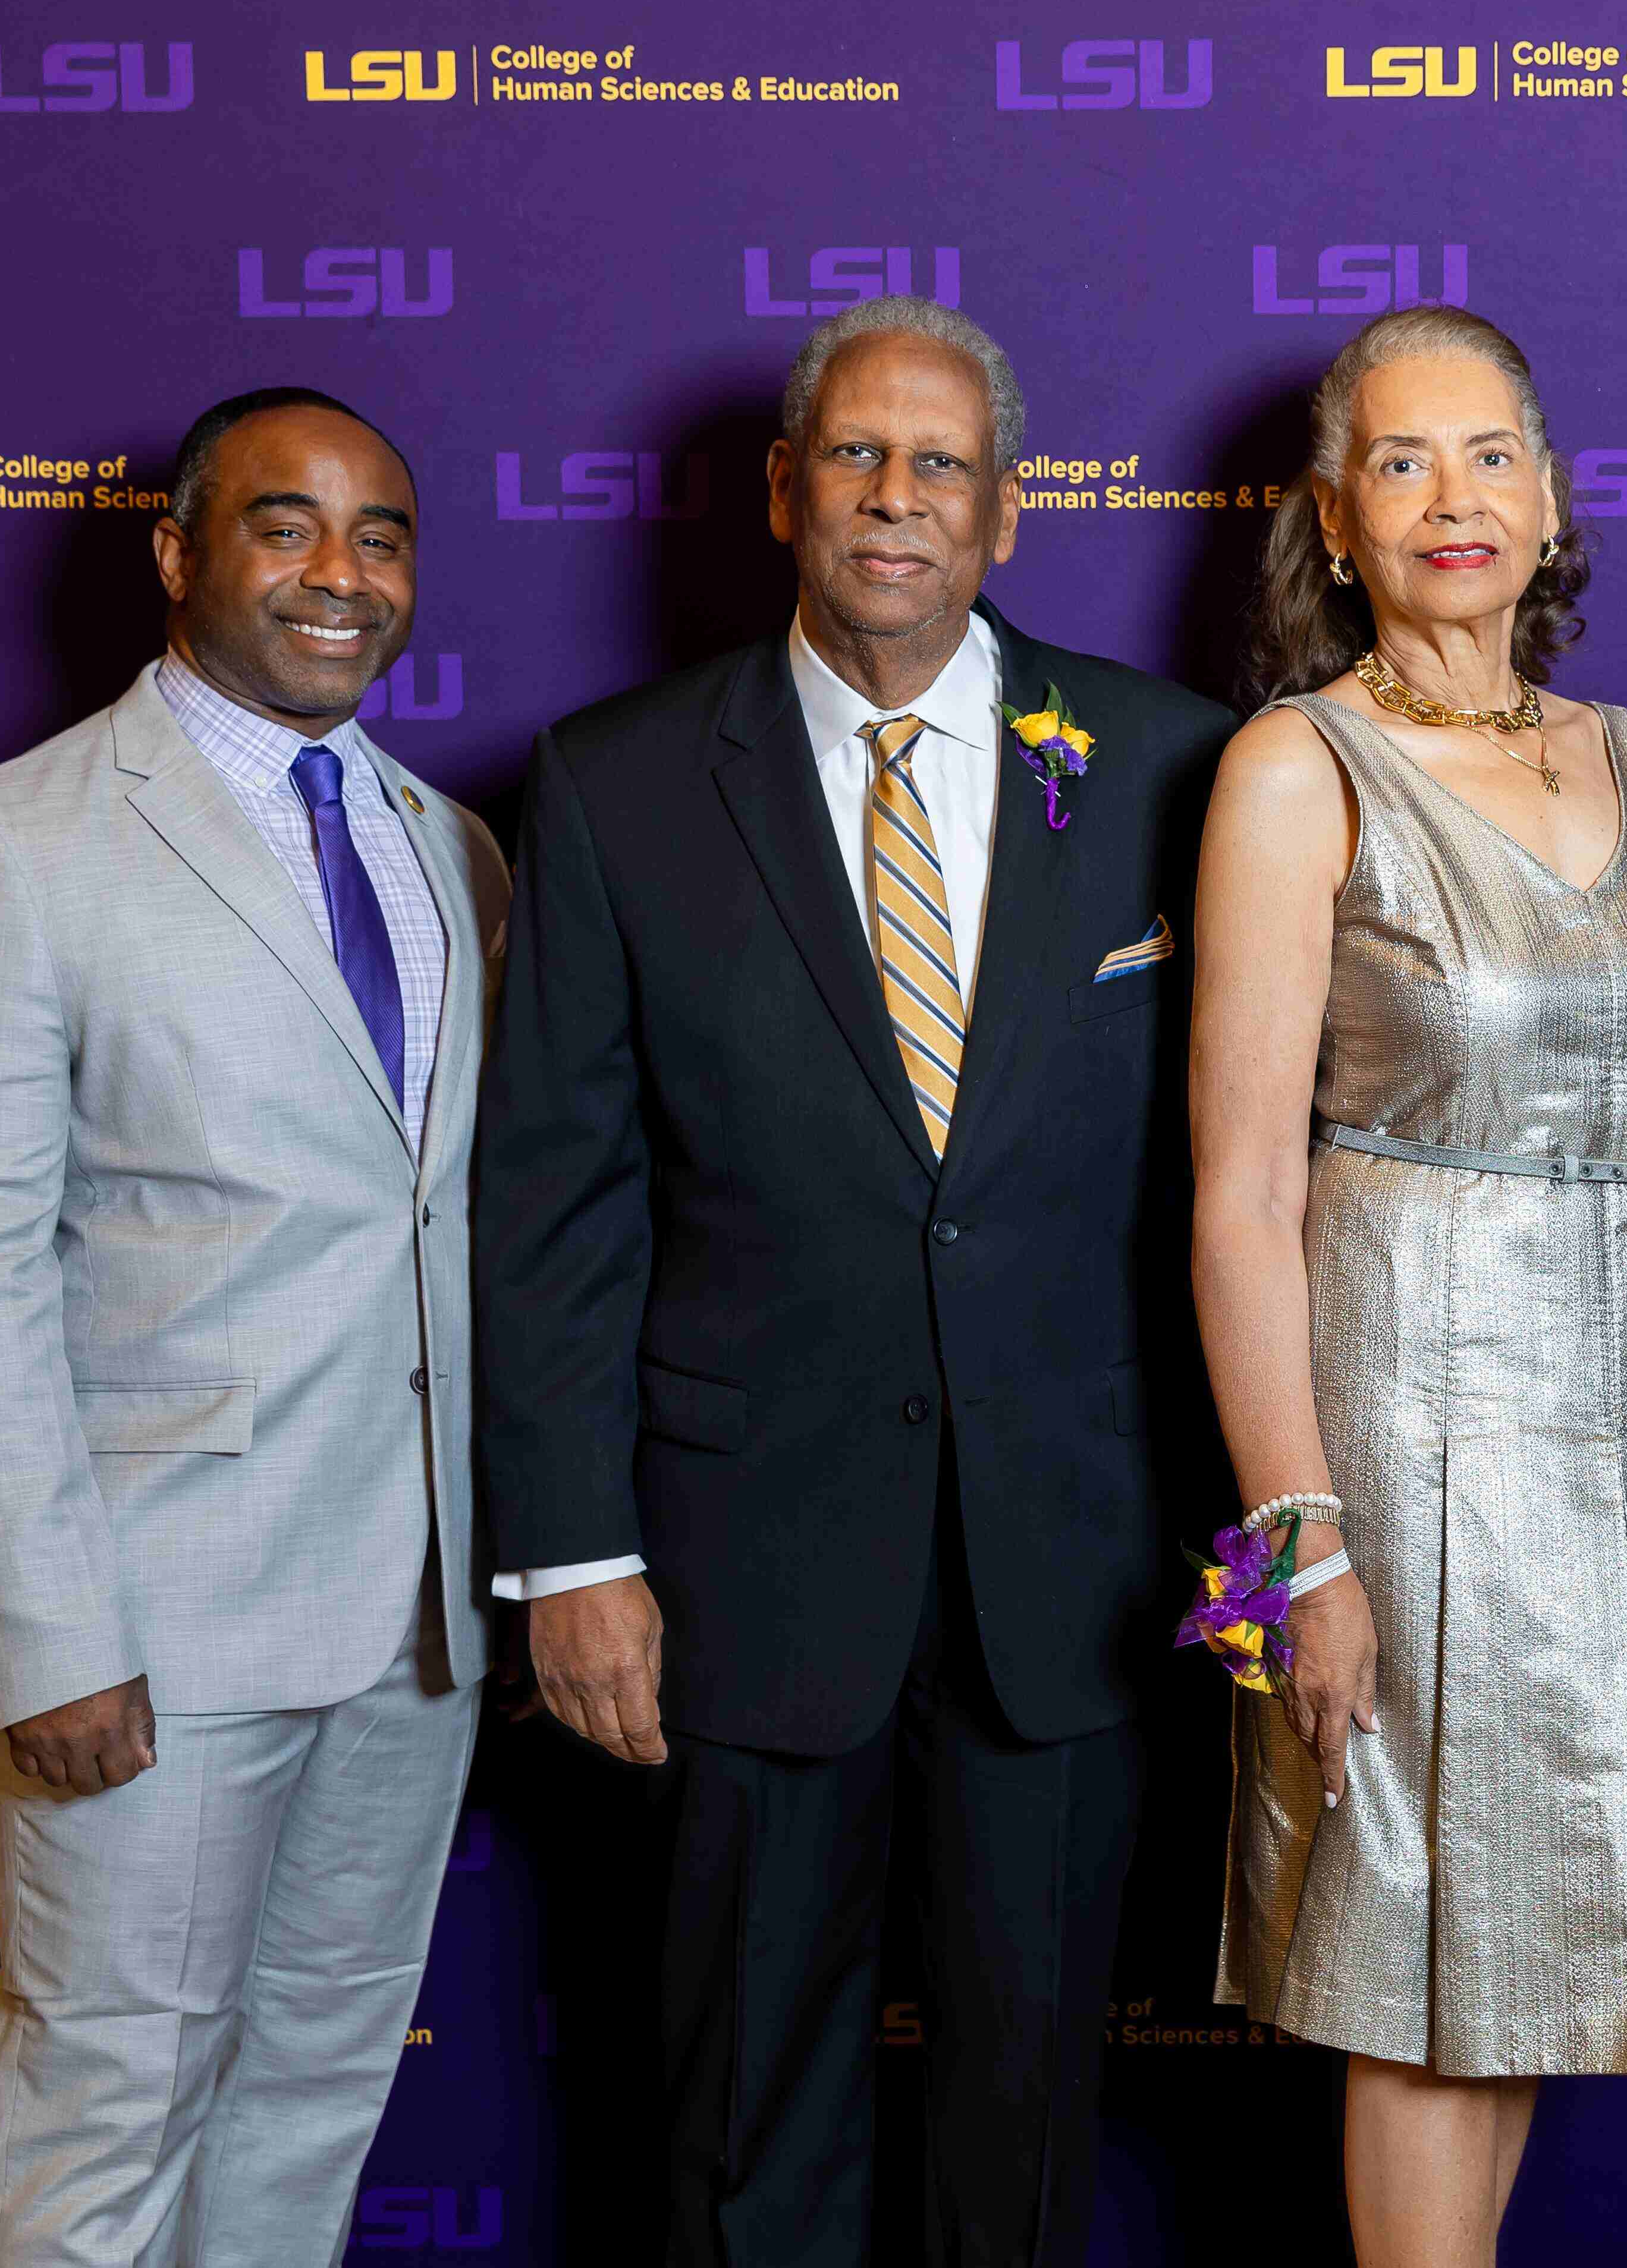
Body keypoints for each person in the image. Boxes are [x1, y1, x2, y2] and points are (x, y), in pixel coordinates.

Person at [472, 297, 1233, 2267]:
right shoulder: (619, 779)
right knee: (742, 2117)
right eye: (860, 457)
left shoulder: (1167, 762)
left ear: (1003, 516)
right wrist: (572, 1554)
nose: (898, 498)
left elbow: (1243, 1183)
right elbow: (557, 1192)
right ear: (785, 488)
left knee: (1032, 2112)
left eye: (944, 466)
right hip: (737, 1565)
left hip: (1071, 1563)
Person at [0, 387, 500, 2261]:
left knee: (307, 2110)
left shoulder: (457, 853)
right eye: (284, 524)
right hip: (145, 1628)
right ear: (178, 553)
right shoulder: (6, 846)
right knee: (103, 2120)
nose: (339, 573)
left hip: (413, 1627)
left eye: (380, 535)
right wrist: (48, 1633)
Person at [1196, 304, 1627, 2267]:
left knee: (1523, 1957)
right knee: (1422, 1968)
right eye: (1405, 460)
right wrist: (1301, 1549)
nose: (1458, 498)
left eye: (1494, 452)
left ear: (1549, 494)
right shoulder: (1296, 765)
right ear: (1335, 521)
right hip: (1395, 1439)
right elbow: (1238, 1199)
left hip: (1612, 1449)